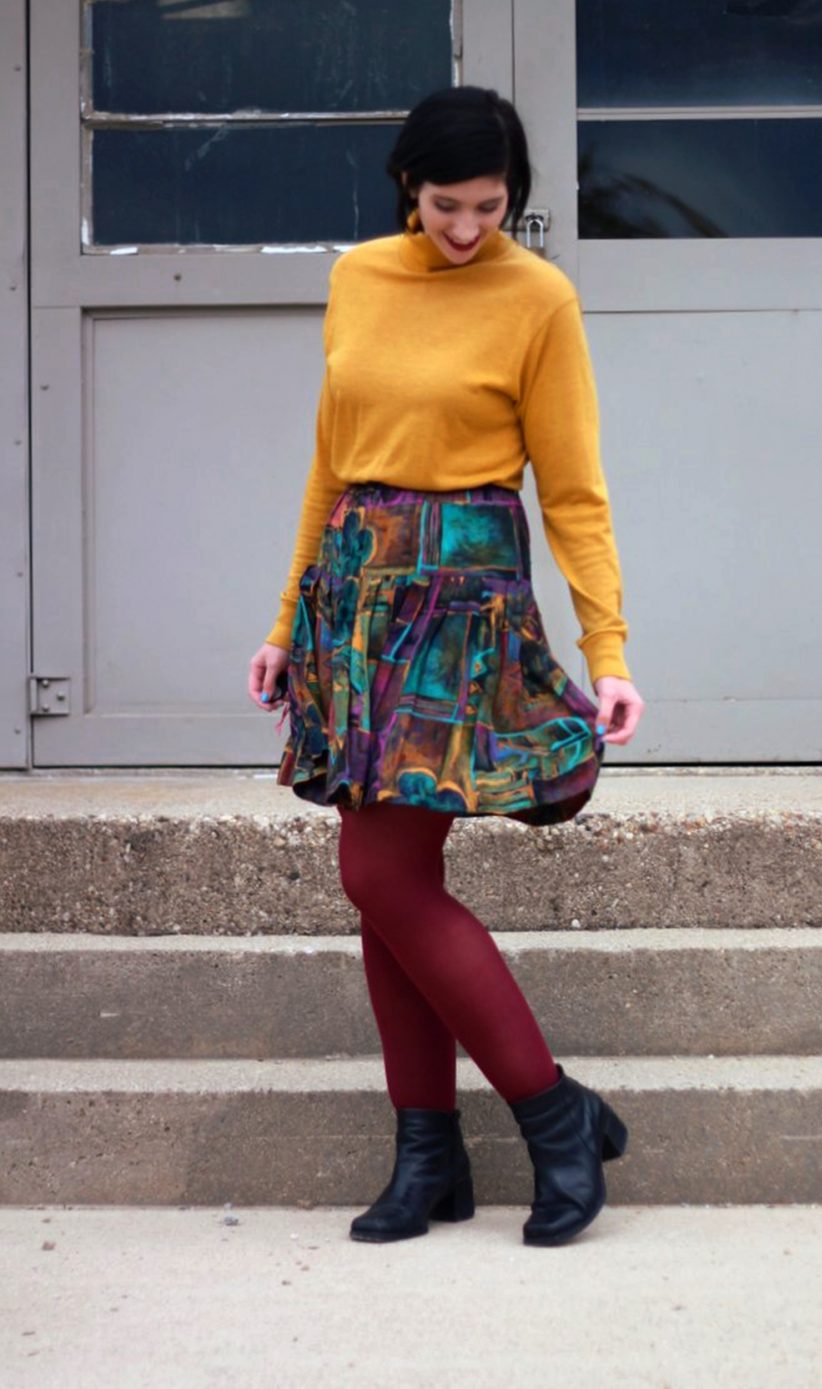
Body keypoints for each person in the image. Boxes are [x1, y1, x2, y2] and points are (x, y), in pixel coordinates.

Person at [247, 85, 645, 1248]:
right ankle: (428, 1156)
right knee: (382, 885)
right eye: (443, 205)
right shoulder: (359, 277)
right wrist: (285, 623)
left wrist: (606, 648)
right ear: (404, 189)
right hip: (354, 595)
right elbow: (330, 463)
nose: (467, 228)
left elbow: (573, 493)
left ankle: (551, 1110)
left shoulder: (538, 299)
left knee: (380, 876)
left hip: (460, 602)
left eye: (489, 206)